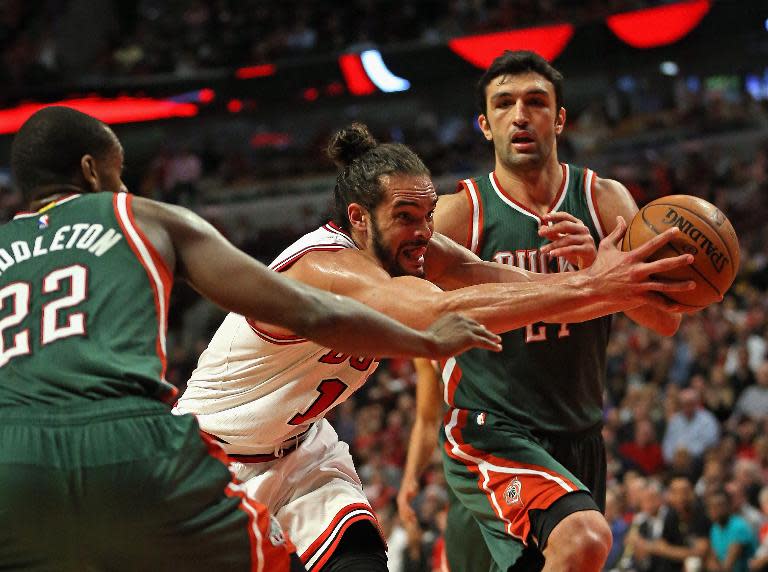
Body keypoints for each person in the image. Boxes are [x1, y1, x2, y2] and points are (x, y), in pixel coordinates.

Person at [0, 106, 508, 571]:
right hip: (141, 441)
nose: (125, 188)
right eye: (118, 174)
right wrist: (425, 341)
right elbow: (308, 310)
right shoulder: (137, 217)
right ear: (92, 172)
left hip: (17, 454)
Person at [174, 121, 694, 571]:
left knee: (359, 557)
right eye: (406, 216)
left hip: (302, 452)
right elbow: (436, 313)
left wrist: (626, 290)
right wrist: (599, 287)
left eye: (428, 214)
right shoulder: (324, 267)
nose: (424, 231)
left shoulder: (412, 249)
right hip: (209, 459)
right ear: (358, 217)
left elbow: (508, 286)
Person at [402, 50, 703, 571]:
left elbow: (666, 319)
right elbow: (417, 321)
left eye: (536, 101)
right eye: (504, 104)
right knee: (584, 541)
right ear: (485, 124)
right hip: (491, 430)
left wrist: (598, 267)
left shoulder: (604, 200)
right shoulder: (460, 214)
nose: (520, 115)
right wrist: (587, 284)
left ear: (559, 118)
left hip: (579, 436)